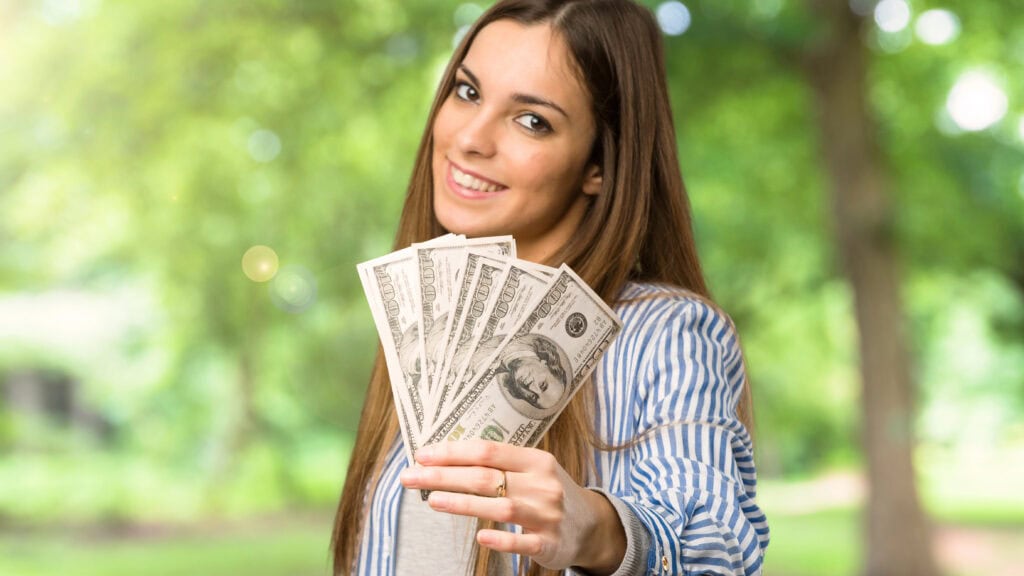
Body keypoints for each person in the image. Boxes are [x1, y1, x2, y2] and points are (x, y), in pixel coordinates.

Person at [331, 0, 770, 574]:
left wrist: (601, 534)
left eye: (531, 120)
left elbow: (716, 545)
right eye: (467, 93)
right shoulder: (428, 328)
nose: (470, 139)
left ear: (600, 167)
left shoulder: (665, 331)